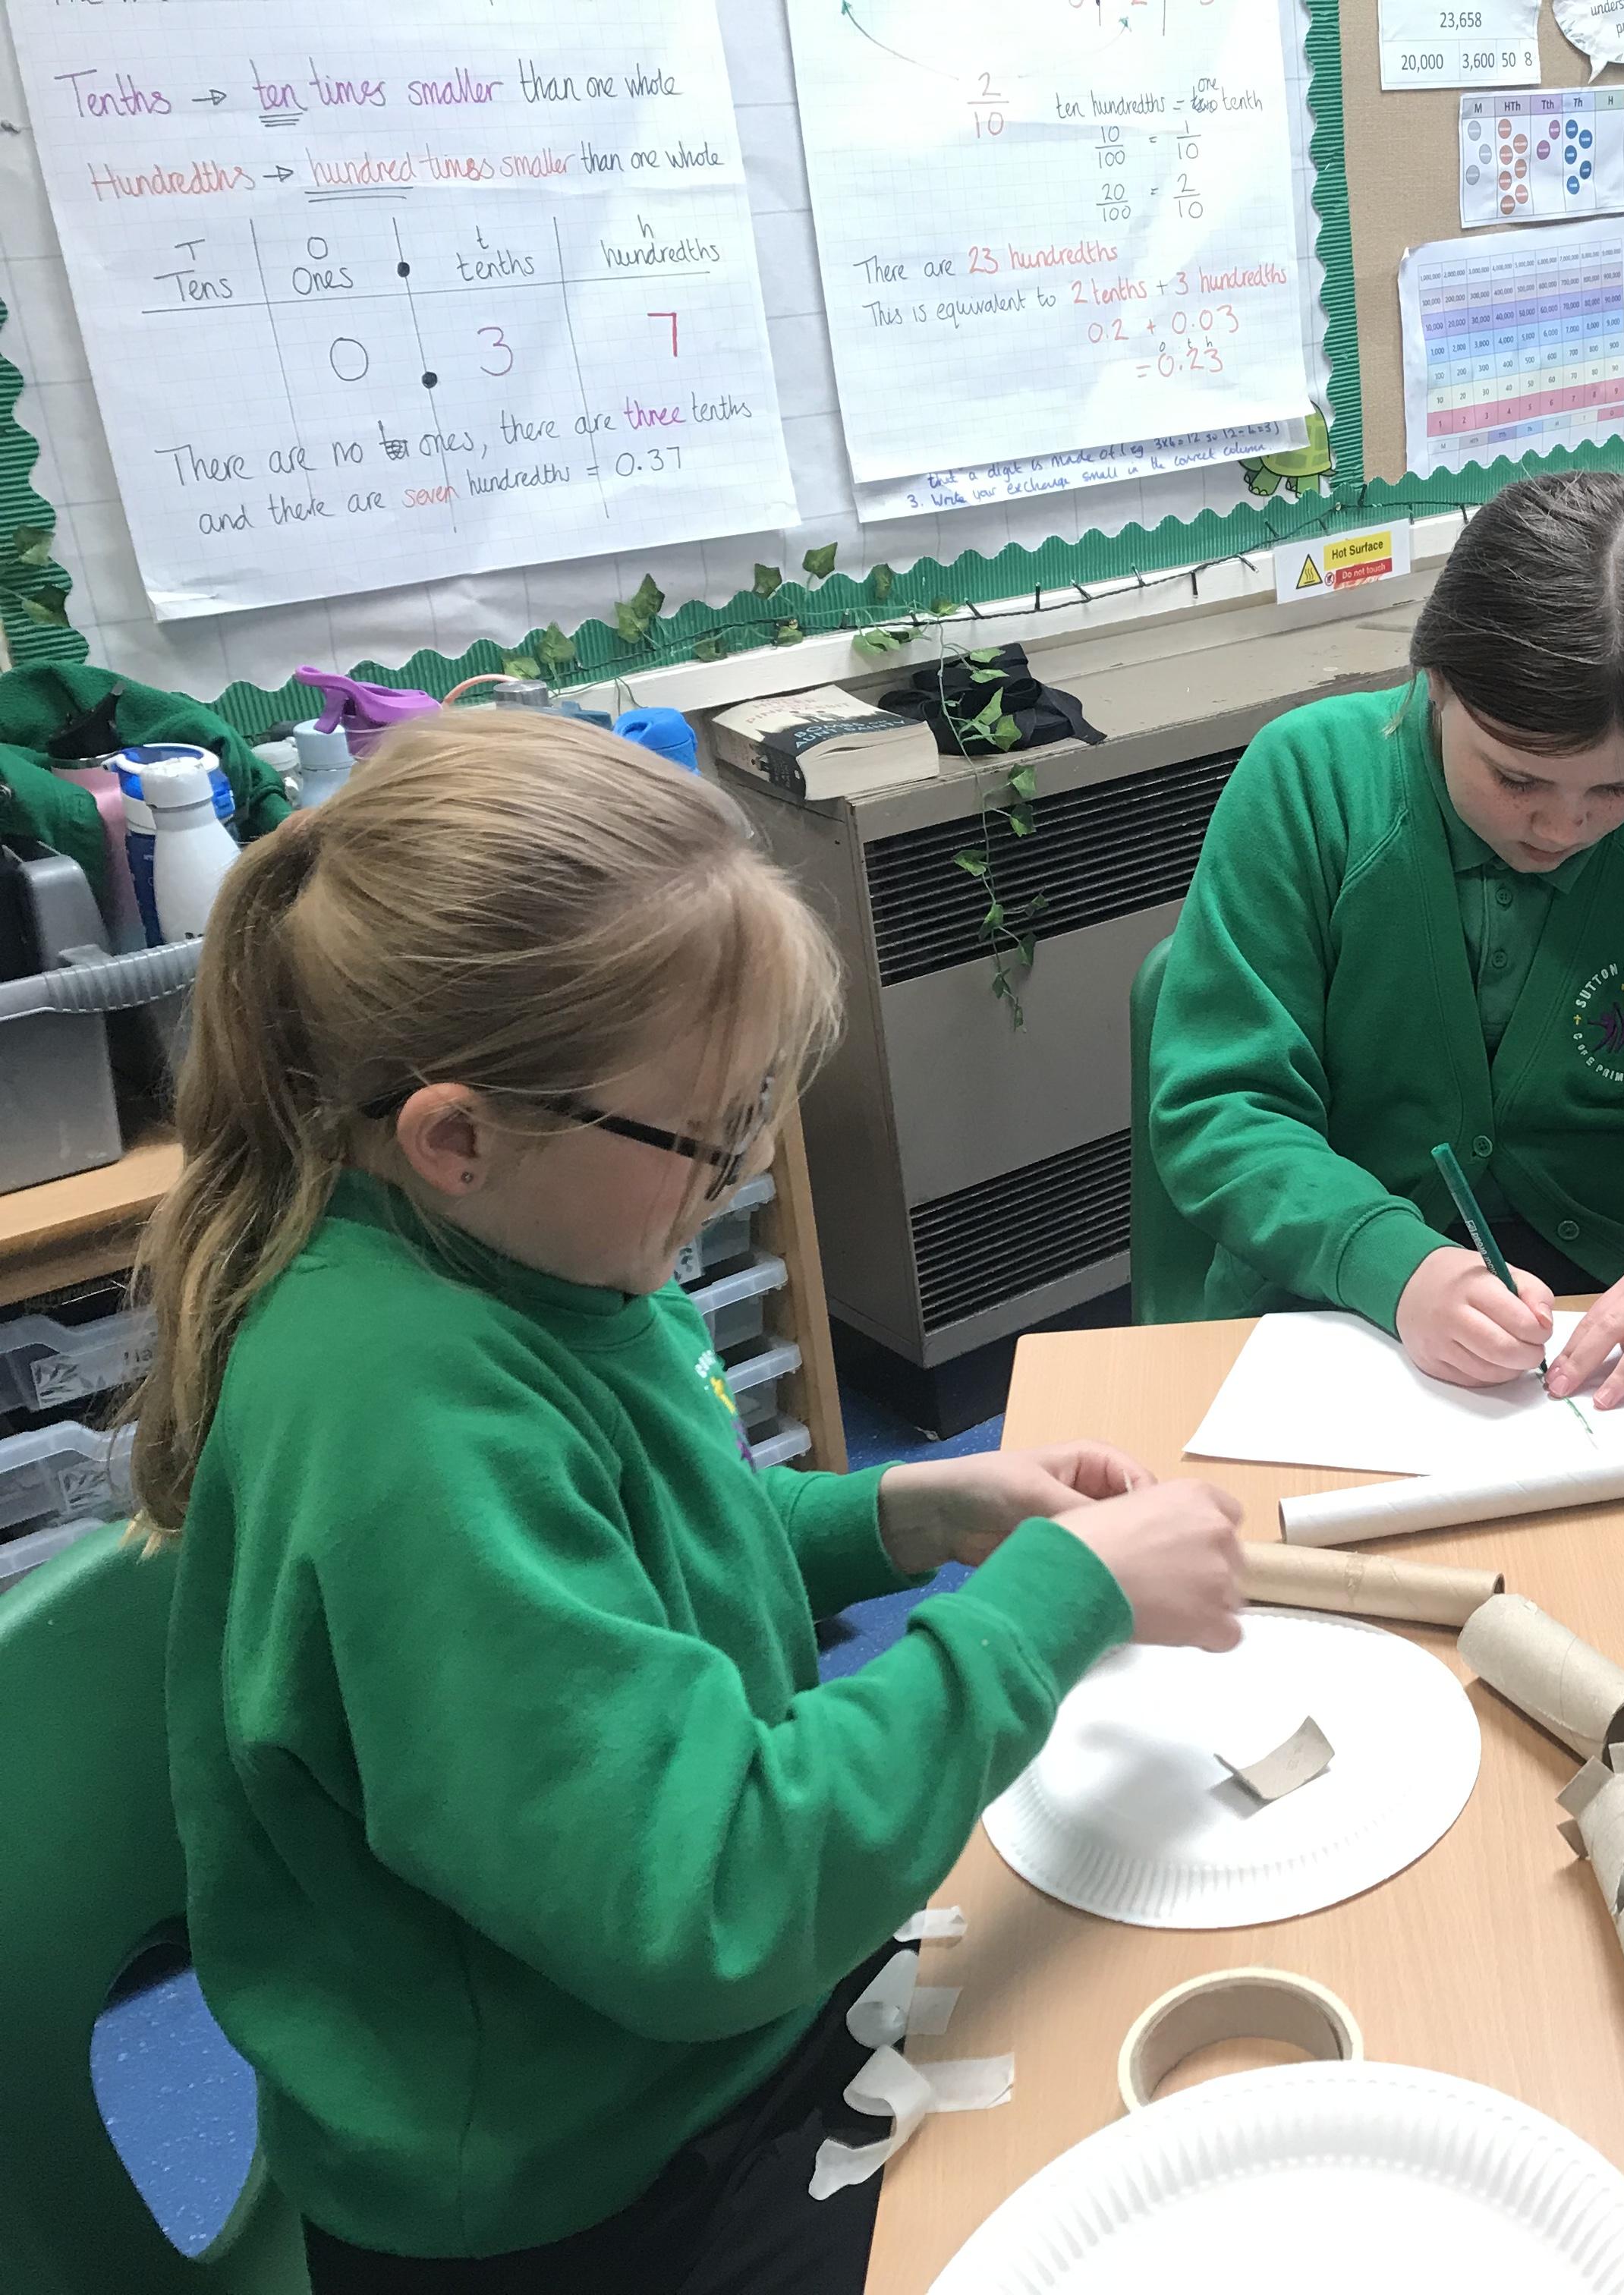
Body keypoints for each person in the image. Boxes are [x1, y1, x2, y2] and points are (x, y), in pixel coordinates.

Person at [133, 714, 1246, 2293]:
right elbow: (711, 1894)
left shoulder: (539, 1250)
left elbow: (653, 1553)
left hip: (694, 2035)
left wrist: (906, 1515)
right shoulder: (405, 1433)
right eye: (705, 1132)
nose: (737, 1167)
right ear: (459, 1136)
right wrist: (1055, 1608)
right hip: (580, 2188)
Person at [1148, 468, 1624, 1407]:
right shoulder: (1308, 787)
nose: (1563, 828)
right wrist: (1391, 1263)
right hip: (1338, 1301)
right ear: (1436, 679)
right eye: (1517, 779)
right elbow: (1221, 1108)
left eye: (1618, 788)